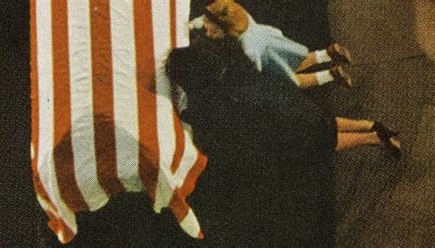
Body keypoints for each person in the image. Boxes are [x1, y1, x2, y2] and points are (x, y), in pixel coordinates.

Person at [165, 41, 400, 245]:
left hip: (273, 127)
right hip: (282, 100)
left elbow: (207, 120)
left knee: (322, 141)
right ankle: (369, 125)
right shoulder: (224, 61)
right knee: (322, 123)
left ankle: (372, 136)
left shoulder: (206, 101)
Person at [189, 0, 353, 89]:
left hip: (268, 59)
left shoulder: (247, 49)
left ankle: (330, 75)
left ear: (227, 30)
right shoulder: (238, 16)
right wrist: (193, 25)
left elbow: (256, 69)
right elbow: (206, 19)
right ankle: (327, 54)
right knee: (295, 58)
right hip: (273, 41)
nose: (207, 30)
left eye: (213, 31)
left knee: (292, 81)